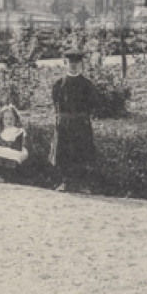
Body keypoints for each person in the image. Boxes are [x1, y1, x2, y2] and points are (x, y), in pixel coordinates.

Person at [50, 48, 98, 192]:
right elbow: (56, 105)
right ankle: (65, 182)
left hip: (81, 123)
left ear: (81, 64)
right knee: (64, 152)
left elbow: (93, 104)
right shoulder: (59, 84)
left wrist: (83, 118)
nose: (73, 65)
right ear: (66, 63)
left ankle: (82, 184)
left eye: (77, 63)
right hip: (64, 124)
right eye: (71, 62)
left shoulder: (87, 85)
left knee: (81, 152)